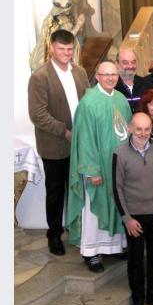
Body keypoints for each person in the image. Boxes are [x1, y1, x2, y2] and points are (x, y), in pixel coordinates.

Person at [65, 62, 133, 272]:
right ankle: (92, 253)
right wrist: (92, 171)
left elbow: (127, 132)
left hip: (119, 166)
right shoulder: (88, 103)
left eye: (114, 74)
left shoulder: (121, 99)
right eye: (106, 75)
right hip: (98, 169)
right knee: (94, 210)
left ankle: (115, 247)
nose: (111, 78)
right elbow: (84, 139)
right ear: (98, 76)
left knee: (117, 204)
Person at [28, 29, 90, 256]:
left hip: (80, 143)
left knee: (79, 189)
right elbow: (38, 114)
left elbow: (87, 101)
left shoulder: (80, 72)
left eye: (69, 49)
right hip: (56, 145)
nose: (66, 53)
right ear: (51, 48)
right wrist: (64, 132)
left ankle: (80, 229)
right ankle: (54, 234)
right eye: (62, 49)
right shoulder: (40, 77)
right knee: (55, 191)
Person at [112, 113, 153, 305]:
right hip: (134, 218)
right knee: (136, 261)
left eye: (147, 129)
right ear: (130, 129)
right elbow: (116, 188)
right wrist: (126, 218)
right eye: (139, 129)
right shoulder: (119, 153)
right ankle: (137, 299)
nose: (143, 133)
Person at [28, 0, 85, 72]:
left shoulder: (64, 18)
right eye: (65, 10)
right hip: (58, 53)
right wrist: (78, 25)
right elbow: (63, 39)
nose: (67, 11)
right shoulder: (53, 21)